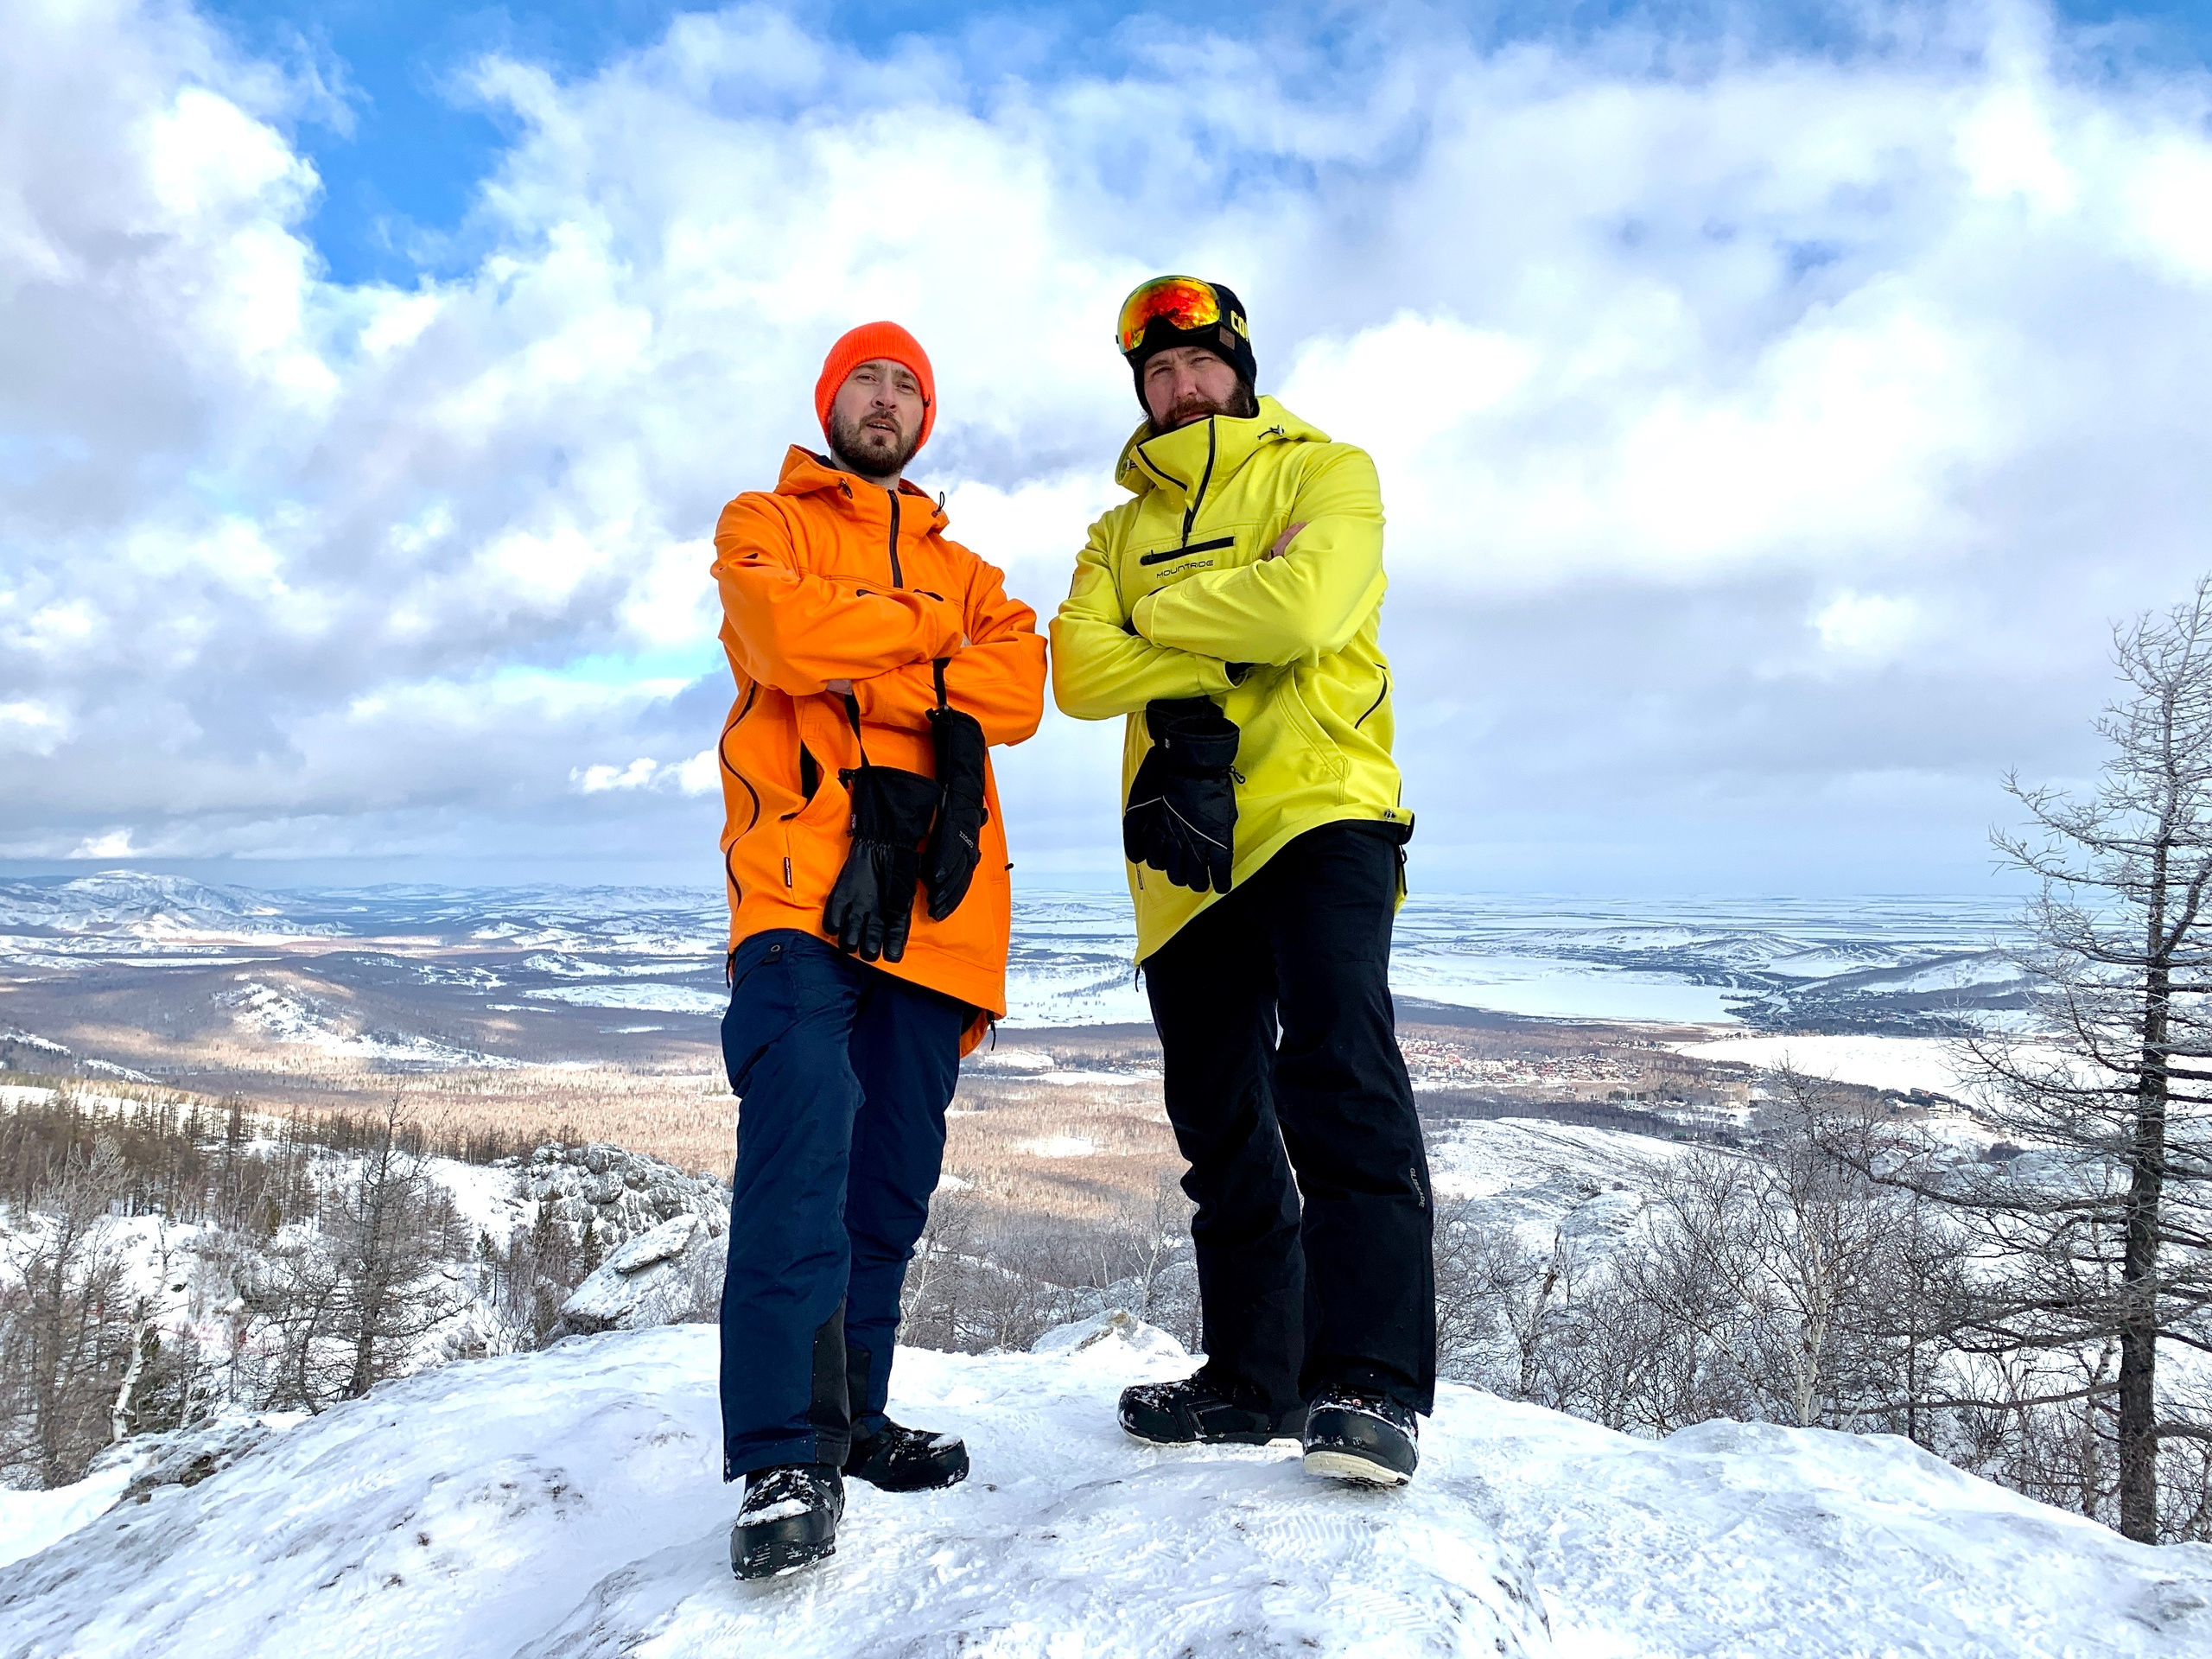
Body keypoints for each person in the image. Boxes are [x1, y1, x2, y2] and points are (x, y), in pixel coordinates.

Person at [1050, 277, 1432, 1486]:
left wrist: (1156, 618)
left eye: (1198, 364)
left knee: (1339, 1076)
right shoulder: (1113, 531)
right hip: (1180, 855)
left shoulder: (1327, 473)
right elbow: (1075, 668)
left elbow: (1312, 605)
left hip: (1321, 808)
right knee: (1220, 1122)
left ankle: (1369, 1386)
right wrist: (1230, 612)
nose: (1179, 387)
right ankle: (1253, 1381)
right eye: (1156, 375)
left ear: (1240, 364)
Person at [710, 321, 1046, 1577]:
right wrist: (925, 644)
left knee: (888, 1184)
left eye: (909, 383)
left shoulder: (979, 572)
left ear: (928, 416)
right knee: (801, 1158)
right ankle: (783, 1458)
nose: (888, 397)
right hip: (799, 896)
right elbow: (781, 642)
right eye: (869, 377)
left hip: (941, 917)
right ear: (831, 398)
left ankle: (852, 1424)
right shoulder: (769, 521)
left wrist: (868, 651)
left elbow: (1018, 692)